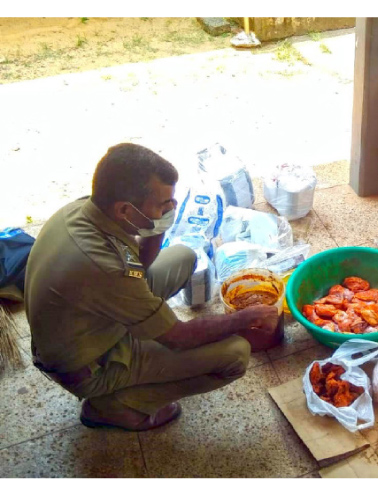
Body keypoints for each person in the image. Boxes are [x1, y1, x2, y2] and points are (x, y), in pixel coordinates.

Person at [24, 143, 280, 431]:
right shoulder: (106, 267)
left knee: (183, 256)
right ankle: (116, 407)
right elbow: (179, 337)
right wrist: (247, 316)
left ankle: (138, 375)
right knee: (235, 353)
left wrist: (159, 224)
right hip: (88, 364)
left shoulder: (82, 210)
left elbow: (138, 267)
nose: (171, 207)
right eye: (163, 204)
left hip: (89, 321)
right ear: (125, 209)